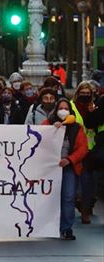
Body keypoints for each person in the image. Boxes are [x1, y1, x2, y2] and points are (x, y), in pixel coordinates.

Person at [42, 98, 88, 240]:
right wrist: (51, 130)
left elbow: (82, 148)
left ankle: (66, 228)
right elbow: (39, 141)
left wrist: (69, 160)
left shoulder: (77, 127)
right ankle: (47, 226)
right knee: (49, 198)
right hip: (49, 168)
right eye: (60, 108)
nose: (63, 111)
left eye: (66, 108)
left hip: (68, 167)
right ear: (56, 110)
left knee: (68, 197)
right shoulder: (47, 124)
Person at [71, 81, 99, 224]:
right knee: (73, 181)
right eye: (83, 93)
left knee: (88, 182)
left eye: (88, 94)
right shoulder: (71, 106)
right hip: (74, 148)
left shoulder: (94, 107)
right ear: (77, 93)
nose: (85, 96)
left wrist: (93, 113)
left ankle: (85, 210)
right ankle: (76, 203)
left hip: (90, 149)